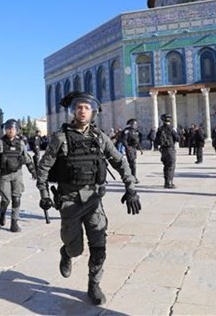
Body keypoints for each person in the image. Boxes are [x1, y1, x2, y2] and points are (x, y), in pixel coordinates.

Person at [35, 91, 141, 306]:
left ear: (93, 111)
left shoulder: (99, 138)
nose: (82, 110)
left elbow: (120, 162)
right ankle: (66, 253)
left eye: (86, 107)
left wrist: (131, 188)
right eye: (79, 107)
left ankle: (94, 284)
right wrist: (45, 195)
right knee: (76, 249)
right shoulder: (61, 138)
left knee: (99, 247)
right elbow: (43, 168)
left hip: (94, 199)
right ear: (73, 111)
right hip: (69, 200)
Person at [0, 119, 38, 232]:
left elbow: (27, 158)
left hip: (17, 174)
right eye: (8, 128)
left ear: (16, 130)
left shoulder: (20, 143)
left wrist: (33, 171)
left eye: (13, 128)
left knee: (16, 198)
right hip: (5, 175)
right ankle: (2, 213)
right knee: (6, 199)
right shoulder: (1, 143)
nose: (10, 130)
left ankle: (14, 222)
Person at [155, 114, 180, 189]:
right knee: (171, 166)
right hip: (170, 149)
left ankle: (166, 181)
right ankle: (169, 182)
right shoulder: (171, 128)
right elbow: (177, 138)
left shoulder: (160, 129)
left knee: (166, 166)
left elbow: (156, 140)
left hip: (163, 150)